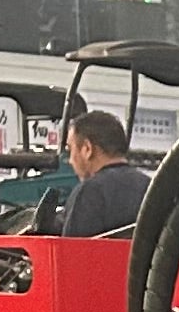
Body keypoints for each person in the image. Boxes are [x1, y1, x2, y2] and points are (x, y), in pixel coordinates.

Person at [34, 101, 145, 241]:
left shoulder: (89, 192)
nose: (70, 160)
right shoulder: (152, 188)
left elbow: (72, 250)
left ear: (87, 149)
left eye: (71, 149)